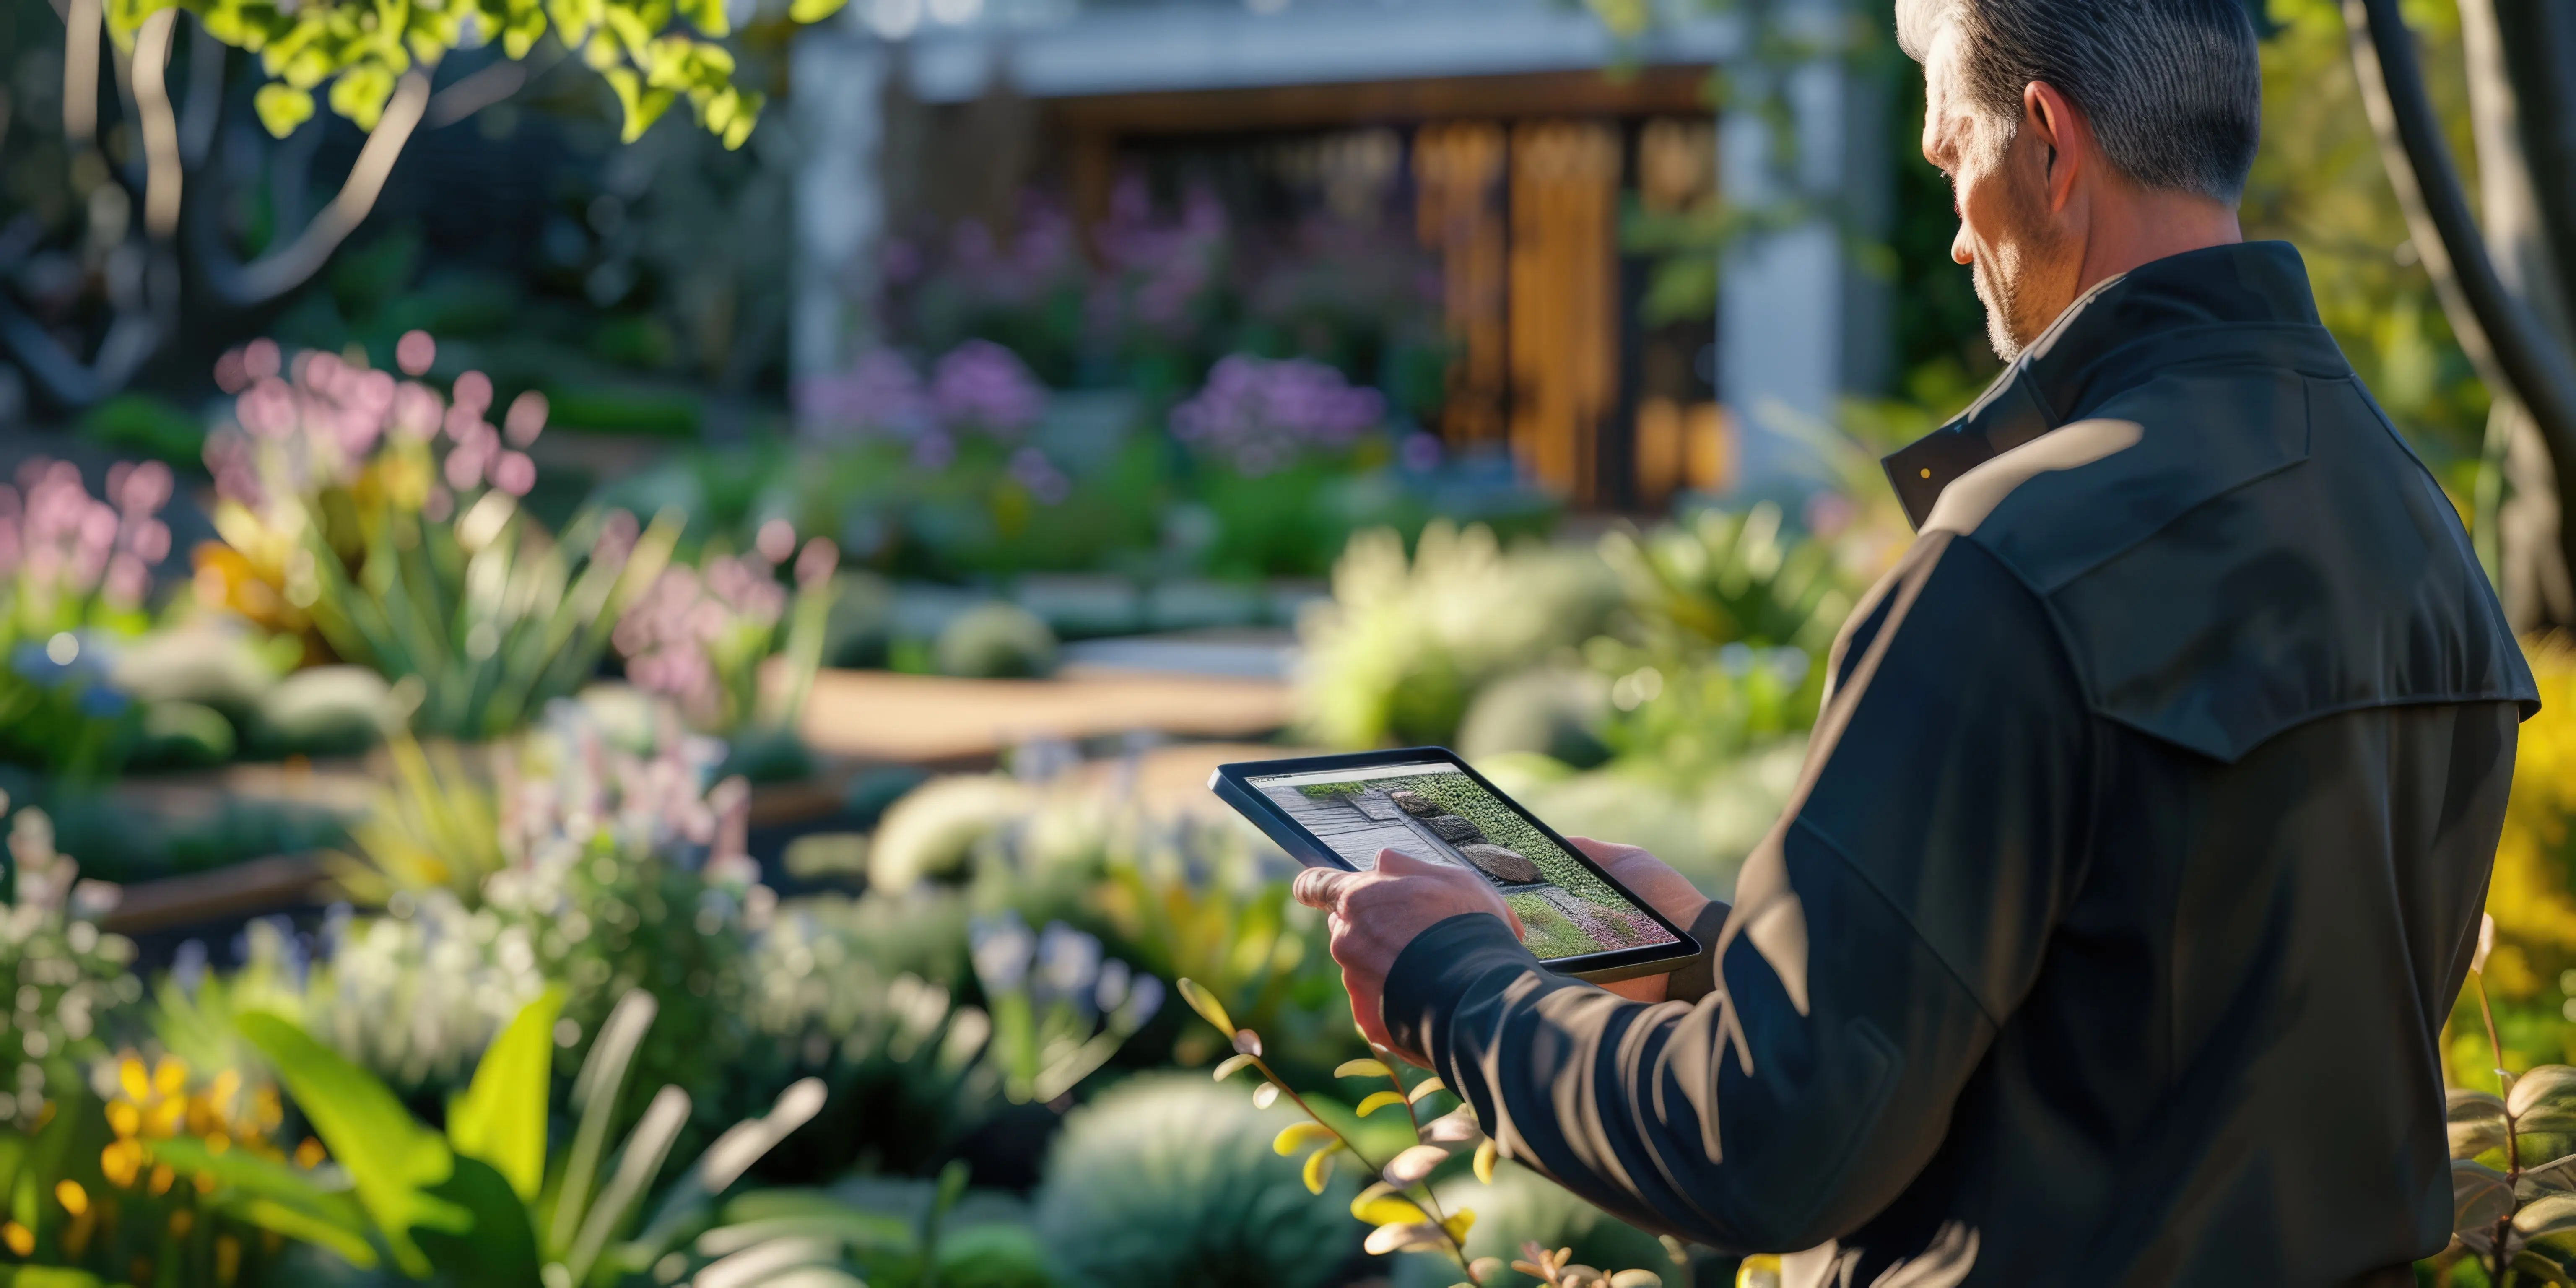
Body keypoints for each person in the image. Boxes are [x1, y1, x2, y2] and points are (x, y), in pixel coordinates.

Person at [1291, 0, 2540, 1282]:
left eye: (1951, 161)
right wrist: (1712, 955)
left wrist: (1452, 979)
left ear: (2048, 145)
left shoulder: (2014, 557)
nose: (1953, 236)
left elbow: (1768, 1143)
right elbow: (2169, 1018)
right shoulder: (2408, 517)